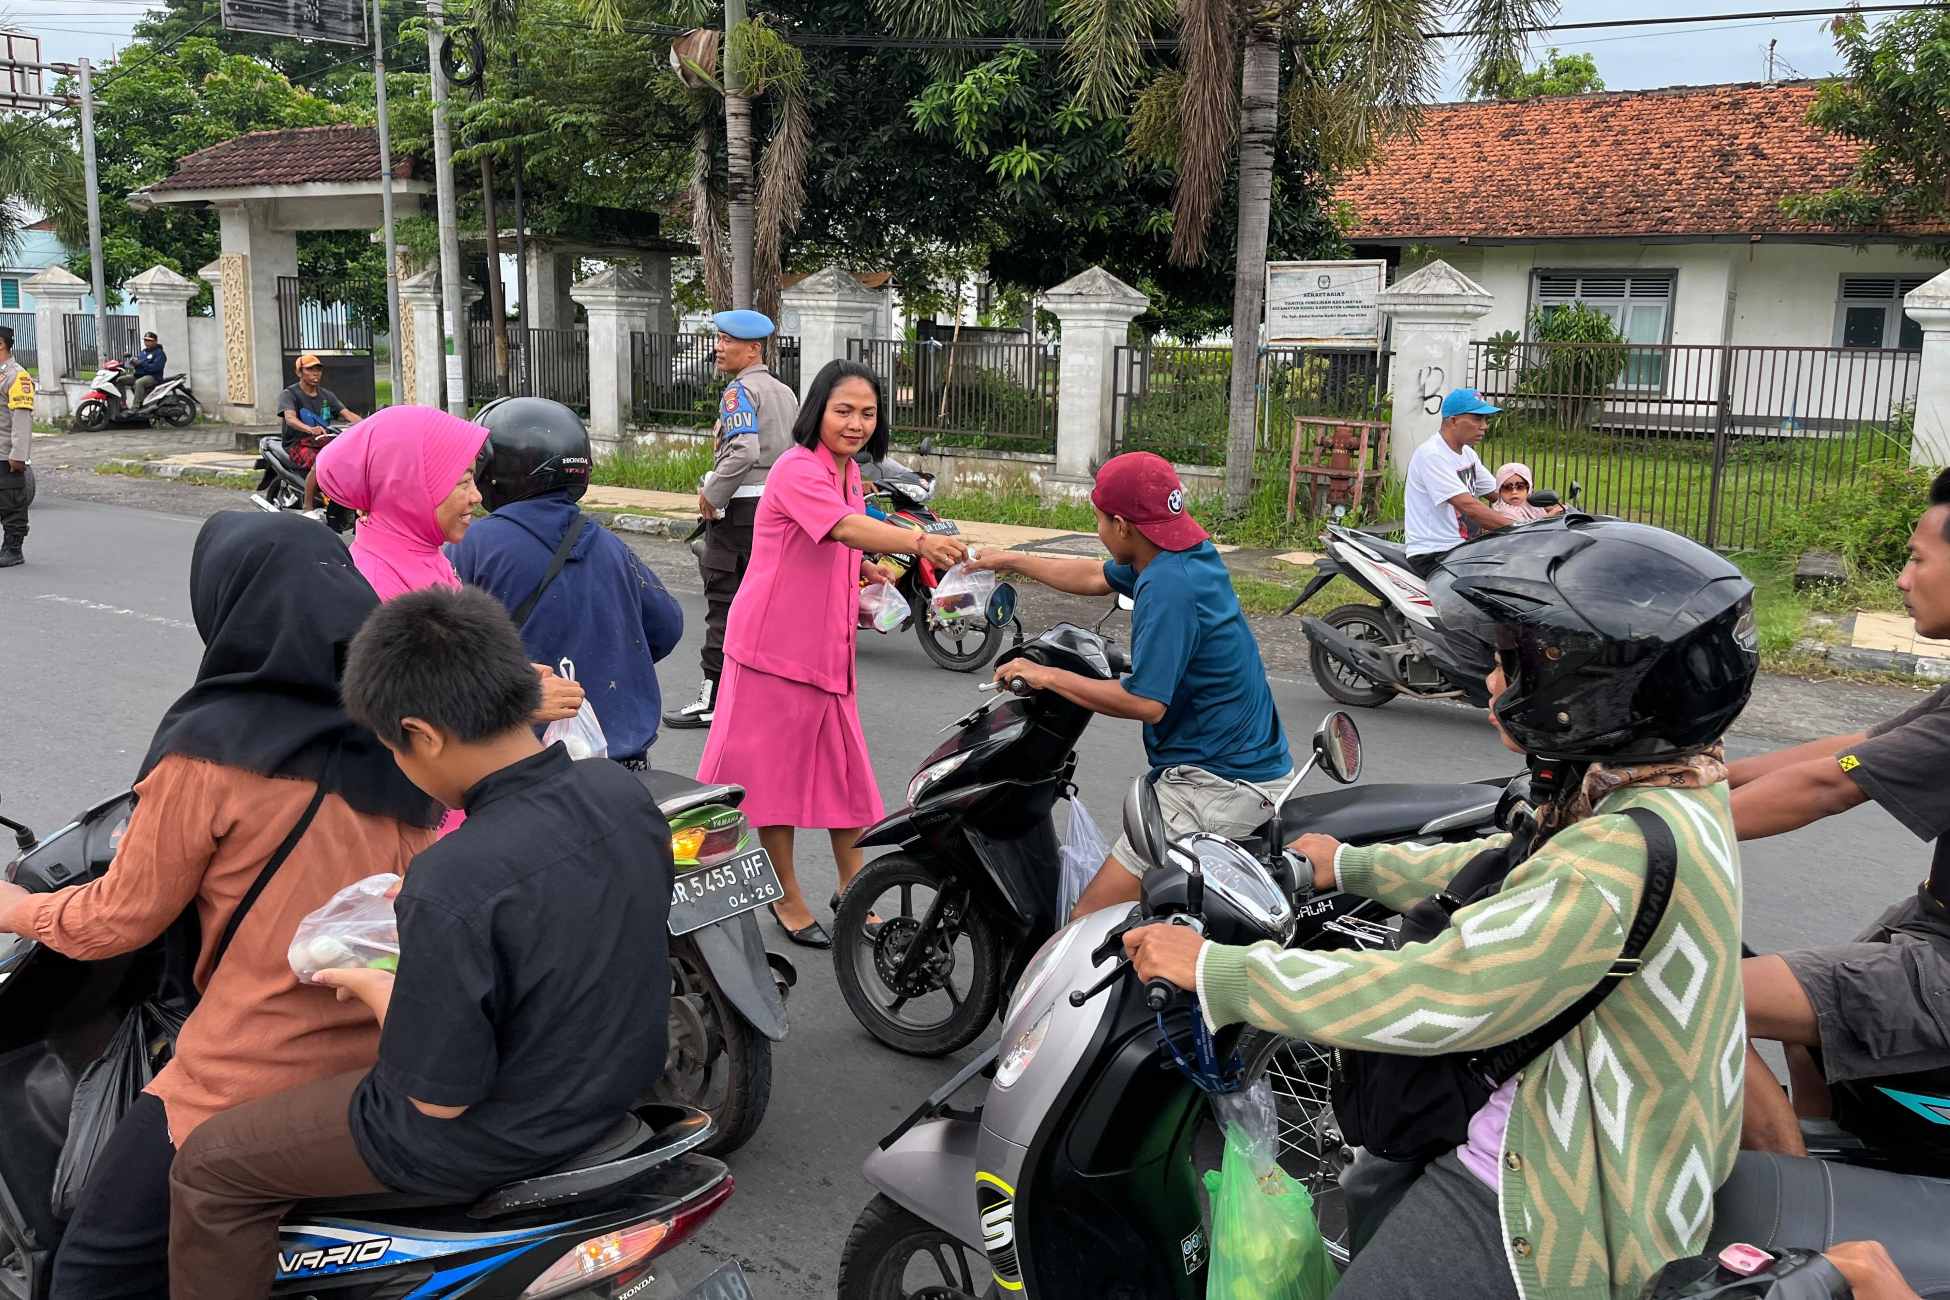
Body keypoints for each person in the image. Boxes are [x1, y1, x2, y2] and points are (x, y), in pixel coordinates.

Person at [1125, 517, 1759, 1300]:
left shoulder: (1612, 858)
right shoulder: (1671, 793)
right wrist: (1350, 865)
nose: (1495, 683)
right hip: (1593, 1120)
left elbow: (1436, 994)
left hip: (1556, 1185)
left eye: (1512, 664)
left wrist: (1221, 973)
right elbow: (1510, 870)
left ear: (1594, 688)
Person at [165, 585, 673, 1300]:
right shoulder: (623, 797)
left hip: (495, 1133)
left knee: (213, 1164)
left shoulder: (452, 876)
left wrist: (370, 978)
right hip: (611, 1087)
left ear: (424, 735)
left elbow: (435, 1099)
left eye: (392, 747)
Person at [0, 511, 442, 1297]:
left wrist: (10, 908)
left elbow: (115, 922)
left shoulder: (212, 749)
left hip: (249, 1066)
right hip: (389, 1047)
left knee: (91, 1271)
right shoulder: (407, 742)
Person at [696, 359, 965, 947]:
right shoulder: (795, 469)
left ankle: (853, 888)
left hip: (828, 651)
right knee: (773, 783)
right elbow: (841, 527)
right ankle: (786, 896)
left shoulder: (846, 473)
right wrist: (920, 540)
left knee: (844, 779)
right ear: (818, 410)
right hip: (774, 650)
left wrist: (866, 566)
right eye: (843, 410)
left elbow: (835, 537)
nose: (856, 423)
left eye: (867, 413)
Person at [964, 451, 1292, 919]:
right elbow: (1096, 575)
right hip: (1243, 767)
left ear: (1121, 525)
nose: (1098, 531)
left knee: (1086, 921)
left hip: (1213, 787)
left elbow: (1145, 701)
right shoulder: (1181, 554)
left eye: (1098, 521)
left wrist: (1047, 676)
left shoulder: (1167, 585)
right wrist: (1012, 560)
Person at [1733, 467, 1950, 1159]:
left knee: (1682, 999)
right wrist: (1697, 777)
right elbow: (1858, 747)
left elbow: (1832, 786)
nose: (1901, 579)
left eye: (1917, 558)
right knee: (1805, 1024)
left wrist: (1653, 825)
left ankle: (1792, 1207)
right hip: (1930, 922)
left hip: (1944, 963)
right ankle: (1829, 1153)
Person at [313, 405, 584, 743]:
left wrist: (507, 677)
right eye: (463, 482)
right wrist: (518, 702)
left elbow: (442, 670)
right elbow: (405, 715)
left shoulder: (425, 556)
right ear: (408, 487)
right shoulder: (375, 582)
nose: (477, 496)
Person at [452, 397, 685, 769]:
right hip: (623, 767)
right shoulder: (608, 544)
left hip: (523, 763)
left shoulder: (471, 547)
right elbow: (667, 627)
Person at [663, 310, 800, 732]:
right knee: (766, 608)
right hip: (774, 512)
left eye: (726, 341)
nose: (718, 348)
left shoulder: (739, 393)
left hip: (739, 513)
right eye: (718, 339)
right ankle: (764, 700)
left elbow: (743, 451)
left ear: (753, 348)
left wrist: (711, 495)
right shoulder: (784, 392)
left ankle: (713, 698)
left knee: (724, 604)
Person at [1404, 388, 1511, 577]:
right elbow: (1470, 507)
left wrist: (1544, 512)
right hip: (1435, 553)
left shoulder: (1467, 454)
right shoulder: (1432, 455)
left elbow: (1500, 493)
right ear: (1453, 421)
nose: (1484, 426)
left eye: (1485, 420)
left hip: (1461, 549)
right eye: (1477, 419)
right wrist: (1519, 528)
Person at [279, 353, 361, 511]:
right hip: (298, 443)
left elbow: (347, 414)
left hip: (324, 440)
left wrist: (368, 425)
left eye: (318, 369)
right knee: (321, 462)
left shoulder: (326, 395)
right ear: (299, 372)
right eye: (310, 369)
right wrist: (309, 429)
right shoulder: (289, 394)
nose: (315, 373)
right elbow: (290, 418)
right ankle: (308, 506)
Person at [0, 323, 35, 569]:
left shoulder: (16, 376)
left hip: (5, 452)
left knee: (11, 503)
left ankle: (13, 549)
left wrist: (18, 454)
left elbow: (21, 417)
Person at [1489, 461, 1564, 524]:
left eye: (1520, 487)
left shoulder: (1531, 504)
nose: (1514, 492)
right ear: (1499, 490)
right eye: (1507, 488)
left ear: (1528, 488)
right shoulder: (1504, 512)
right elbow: (1522, 531)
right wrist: (1548, 518)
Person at [131, 331, 166, 406]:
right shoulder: (143, 352)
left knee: (139, 383)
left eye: (149, 340)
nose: (147, 342)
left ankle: (135, 407)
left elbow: (154, 368)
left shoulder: (159, 353)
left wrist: (141, 363)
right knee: (120, 380)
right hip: (140, 375)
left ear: (155, 341)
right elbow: (138, 363)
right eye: (145, 340)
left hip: (154, 377)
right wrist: (134, 363)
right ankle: (121, 405)